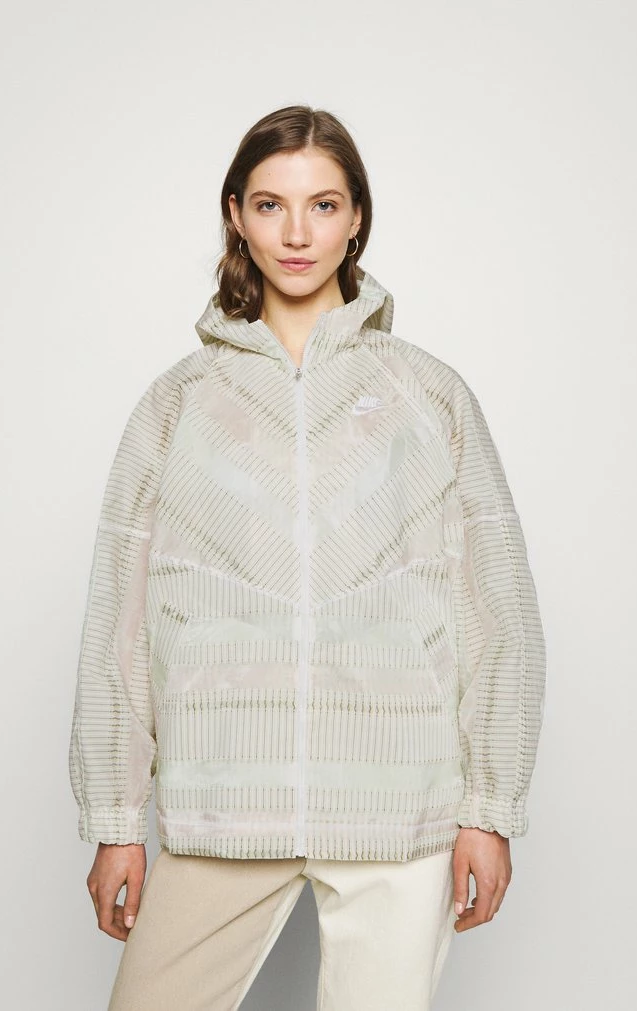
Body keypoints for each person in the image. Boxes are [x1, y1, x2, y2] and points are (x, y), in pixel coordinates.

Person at [68, 104, 547, 1010]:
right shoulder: (177, 404)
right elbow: (118, 626)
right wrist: (116, 819)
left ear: (356, 216)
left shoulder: (429, 394)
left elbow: (497, 609)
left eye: (323, 205)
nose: (297, 234)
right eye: (271, 205)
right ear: (236, 215)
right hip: (222, 802)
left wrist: (490, 808)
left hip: (399, 810)